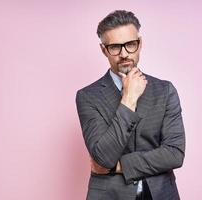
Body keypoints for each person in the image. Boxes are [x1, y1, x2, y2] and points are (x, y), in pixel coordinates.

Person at [76, 10, 185, 200]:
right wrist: (129, 99)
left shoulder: (165, 91)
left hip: (160, 194)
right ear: (104, 50)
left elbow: (174, 154)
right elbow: (103, 157)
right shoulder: (87, 96)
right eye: (115, 47)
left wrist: (119, 166)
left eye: (130, 44)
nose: (124, 54)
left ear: (140, 44)